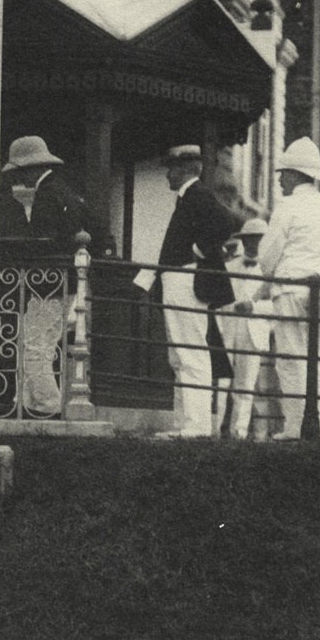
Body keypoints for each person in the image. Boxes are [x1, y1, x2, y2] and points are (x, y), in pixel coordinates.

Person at [135, 145, 238, 439]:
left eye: (171, 168)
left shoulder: (197, 194)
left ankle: (196, 426)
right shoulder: (188, 198)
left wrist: (197, 250)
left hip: (185, 279)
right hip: (178, 279)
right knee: (181, 355)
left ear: (185, 170)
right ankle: (187, 424)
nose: (168, 173)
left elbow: (226, 222)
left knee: (190, 353)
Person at [251, 138, 320, 440]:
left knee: (291, 358)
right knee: (318, 359)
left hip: (292, 288)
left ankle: (297, 427)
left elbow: (267, 257)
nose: (279, 178)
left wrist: (275, 273)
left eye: (282, 173)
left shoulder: (287, 207)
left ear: (294, 175)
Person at [0, 135, 99, 418]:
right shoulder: (66, 192)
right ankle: (32, 403)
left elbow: (45, 241)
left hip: (47, 283)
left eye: (20, 172)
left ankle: (46, 404)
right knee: (40, 343)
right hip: (60, 282)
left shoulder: (47, 195)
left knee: (36, 346)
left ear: (30, 169)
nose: (20, 178)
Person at [221, 218, 276, 441]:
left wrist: (254, 306)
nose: (253, 244)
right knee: (220, 382)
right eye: (249, 239)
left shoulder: (272, 271)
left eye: (259, 240)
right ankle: (214, 429)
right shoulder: (229, 267)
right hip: (228, 327)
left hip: (254, 331)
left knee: (245, 385)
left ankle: (239, 432)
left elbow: (277, 305)